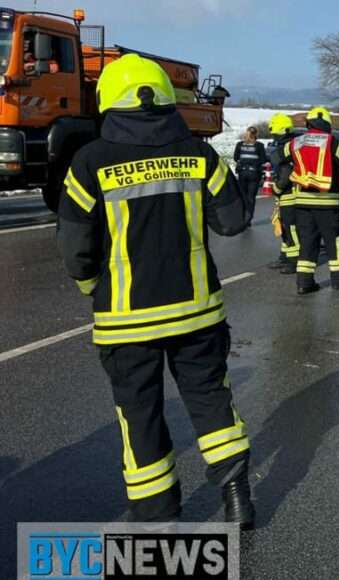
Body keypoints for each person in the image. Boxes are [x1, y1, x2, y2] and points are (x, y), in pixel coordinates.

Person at [56, 54, 255, 528]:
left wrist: (91, 286)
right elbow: (232, 221)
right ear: (167, 99)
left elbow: (74, 246)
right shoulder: (200, 154)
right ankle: (237, 499)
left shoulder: (90, 161)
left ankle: (157, 516)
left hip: (126, 322)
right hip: (197, 312)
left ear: (108, 100)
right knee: (211, 398)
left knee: (139, 415)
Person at [275, 106, 339, 294]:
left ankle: (304, 283)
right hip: (327, 202)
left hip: (302, 202)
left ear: (308, 123)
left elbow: (278, 156)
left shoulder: (297, 142)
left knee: (307, 242)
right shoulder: (331, 142)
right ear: (327, 123)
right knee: (334, 240)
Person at [267, 113, 299, 274]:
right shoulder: (294, 144)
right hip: (289, 195)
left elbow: (286, 173)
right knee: (285, 227)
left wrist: (276, 188)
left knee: (290, 228)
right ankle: (285, 257)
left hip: (290, 195)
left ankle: (294, 261)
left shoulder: (286, 148)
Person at [232, 126, 267, 228]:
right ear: (256, 134)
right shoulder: (259, 145)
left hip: (242, 173)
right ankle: (248, 220)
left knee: (242, 196)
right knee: (251, 198)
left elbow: (235, 158)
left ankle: (241, 218)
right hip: (254, 175)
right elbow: (263, 159)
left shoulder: (239, 144)